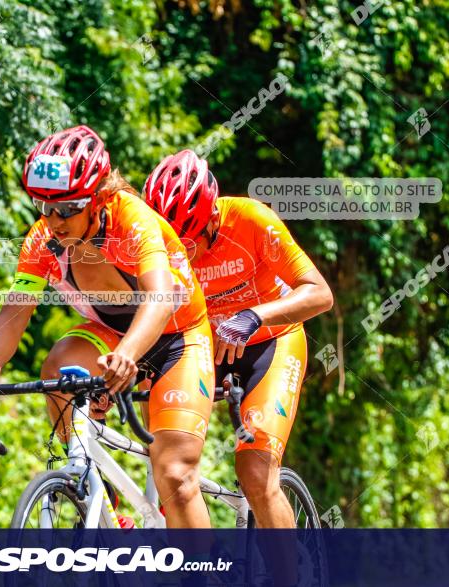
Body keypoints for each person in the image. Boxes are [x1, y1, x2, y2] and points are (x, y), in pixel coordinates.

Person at [0, 126, 216, 528]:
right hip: (113, 334)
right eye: (43, 206)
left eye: (67, 208)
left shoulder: (133, 220)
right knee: (57, 369)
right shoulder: (43, 240)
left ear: (97, 198)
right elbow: (18, 307)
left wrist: (128, 355)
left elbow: (161, 298)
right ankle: (102, 500)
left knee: (176, 477)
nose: (54, 220)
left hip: (177, 336)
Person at [143, 150, 334, 528]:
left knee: (256, 474)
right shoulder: (155, 242)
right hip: (203, 348)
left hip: (270, 343)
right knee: (170, 463)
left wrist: (254, 315)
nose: (181, 252)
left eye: (190, 240)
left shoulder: (251, 220)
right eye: (171, 242)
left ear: (213, 215)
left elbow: (319, 294)